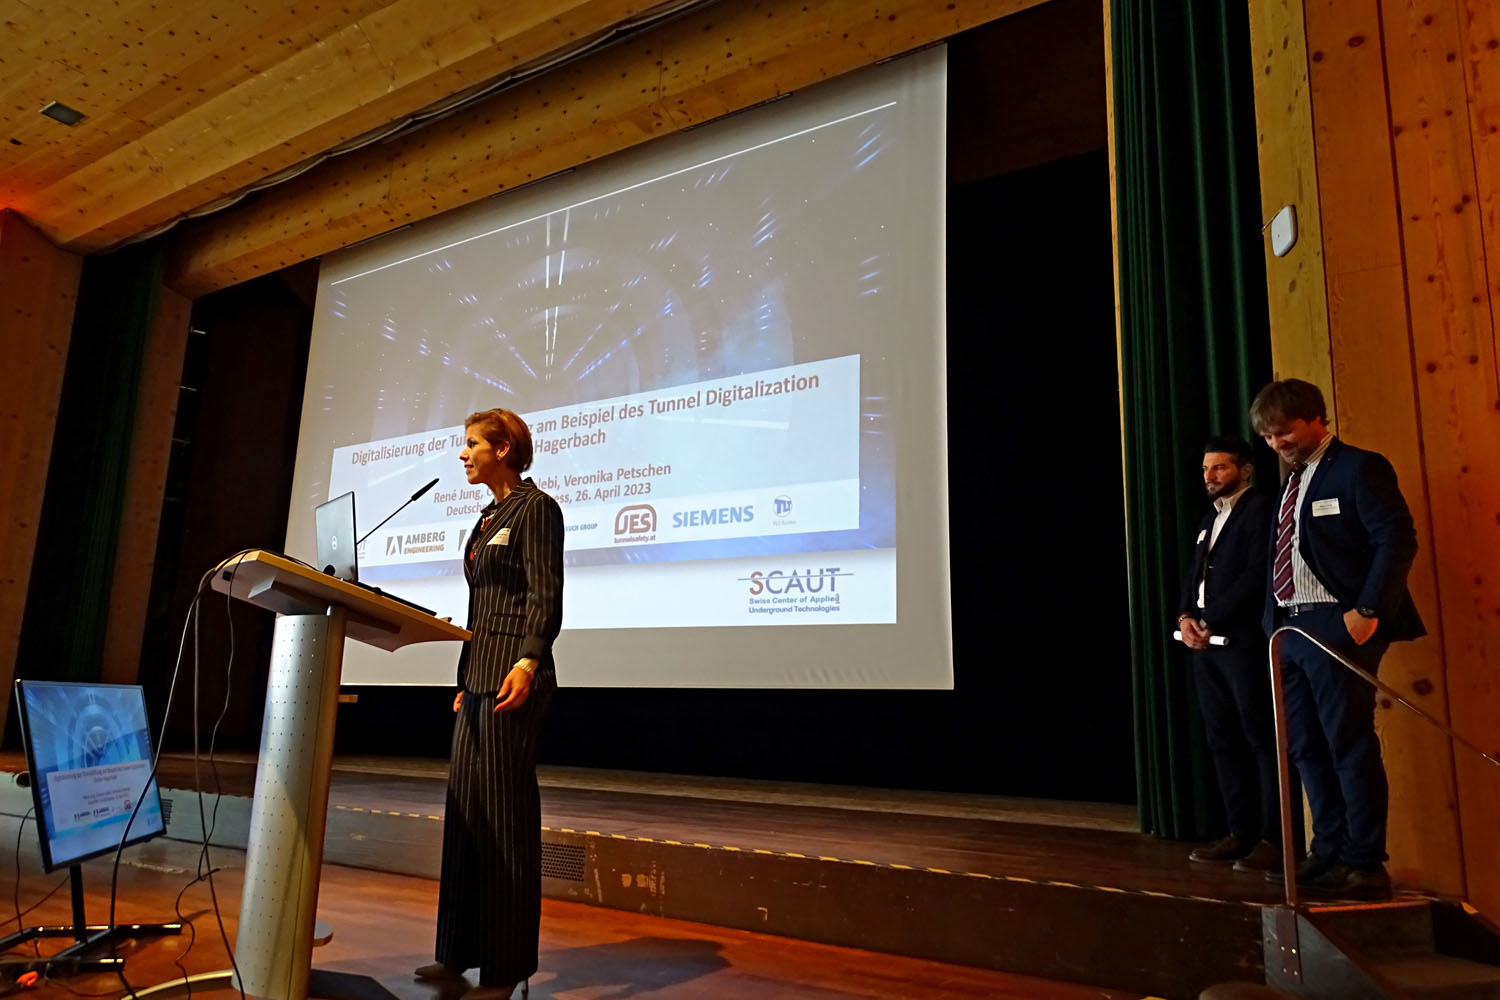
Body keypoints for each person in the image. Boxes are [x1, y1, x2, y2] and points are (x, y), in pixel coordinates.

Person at [1250, 379, 1424, 898]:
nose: (1277, 444)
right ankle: (1325, 850)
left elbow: (1396, 538)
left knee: (1347, 742)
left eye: (1284, 432)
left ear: (1315, 418)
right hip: (1287, 629)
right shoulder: (1290, 482)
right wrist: (1272, 623)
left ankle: (1364, 862)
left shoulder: (1358, 467)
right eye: (1268, 438)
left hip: (1337, 623)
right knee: (1304, 744)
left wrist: (1367, 611)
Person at [416, 408, 564, 998]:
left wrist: (527, 662)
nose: (463, 454)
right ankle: (456, 952)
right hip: (478, 678)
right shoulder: (487, 517)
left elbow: (545, 596)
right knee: (465, 815)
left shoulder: (536, 509)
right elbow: (480, 610)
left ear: (503, 449)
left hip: (514, 677)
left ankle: (505, 967)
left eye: (472, 443)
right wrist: (464, 679)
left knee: (504, 823)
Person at [1177, 436, 1292, 873]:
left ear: (1245, 470)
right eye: (1205, 469)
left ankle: (1274, 838)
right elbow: (1194, 576)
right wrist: (1186, 615)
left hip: (1244, 645)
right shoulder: (1210, 517)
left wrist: (1213, 618)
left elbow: (1257, 575)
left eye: (1220, 467)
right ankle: (1239, 832)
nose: (1209, 476)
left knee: (1260, 736)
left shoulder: (1260, 510)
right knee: (1221, 738)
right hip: (1206, 647)